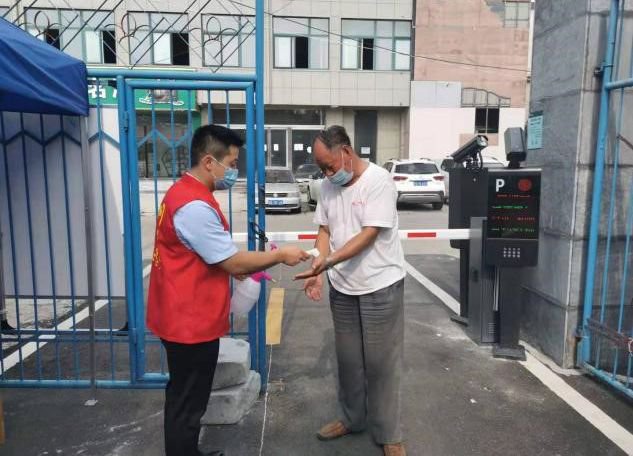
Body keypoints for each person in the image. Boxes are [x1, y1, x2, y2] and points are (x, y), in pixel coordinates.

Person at [147, 124, 310, 456]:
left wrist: (236, 267)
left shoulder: (184, 192)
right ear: (209, 162)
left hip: (179, 313)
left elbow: (208, 255)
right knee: (187, 404)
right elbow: (232, 262)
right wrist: (280, 255)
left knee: (185, 398)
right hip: (188, 322)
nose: (234, 171)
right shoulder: (194, 206)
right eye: (232, 164)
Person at [295, 126, 407, 456]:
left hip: (380, 286)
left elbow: (369, 234)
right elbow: (325, 229)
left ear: (346, 151)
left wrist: (327, 262)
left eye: (329, 166)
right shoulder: (329, 187)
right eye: (321, 169)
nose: (327, 174)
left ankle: (389, 434)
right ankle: (351, 418)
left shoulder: (378, 181)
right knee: (348, 361)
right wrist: (318, 266)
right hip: (343, 288)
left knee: (382, 366)